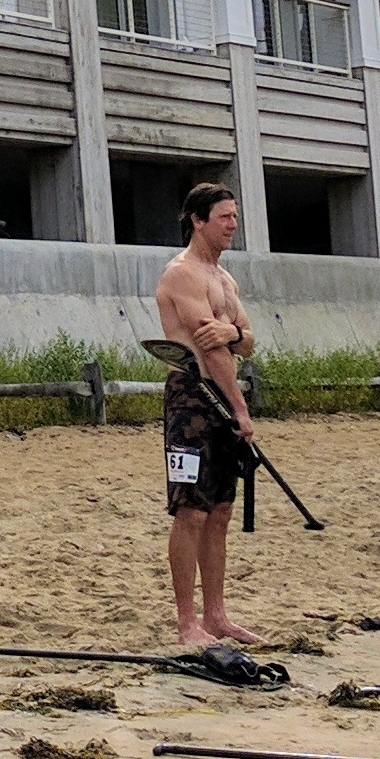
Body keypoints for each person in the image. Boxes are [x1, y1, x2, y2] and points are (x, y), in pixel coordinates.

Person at [154, 181, 257, 644]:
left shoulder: (224, 278)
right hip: (192, 398)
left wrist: (232, 333)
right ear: (198, 220)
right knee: (191, 512)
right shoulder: (184, 274)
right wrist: (239, 407)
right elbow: (207, 348)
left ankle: (216, 615)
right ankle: (186, 622)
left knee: (220, 511)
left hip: (226, 397)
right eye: (224, 217)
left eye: (235, 216)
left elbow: (247, 340)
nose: (232, 225)